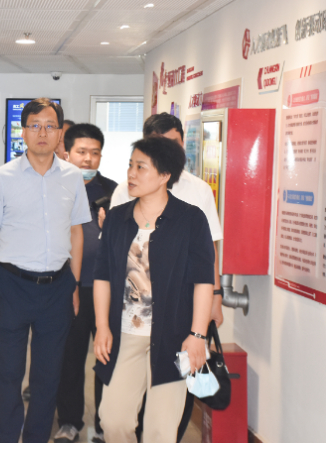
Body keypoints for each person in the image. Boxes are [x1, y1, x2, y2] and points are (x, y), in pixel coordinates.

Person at [0, 98, 91, 443]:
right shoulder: (3, 177)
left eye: (50, 126)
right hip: (11, 285)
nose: (43, 132)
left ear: (60, 134)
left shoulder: (73, 177)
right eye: (35, 125)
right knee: (8, 374)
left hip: (57, 287)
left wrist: (74, 284)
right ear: (23, 132)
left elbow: (77, 233)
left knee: (48, 376)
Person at [92, 136, 215, 443]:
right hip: (125, 334)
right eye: (130, 165)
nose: (131, 174)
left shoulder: (190, 220)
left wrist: (198, 335)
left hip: (174, 337)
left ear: (164, 175)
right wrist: (102, 326)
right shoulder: (117, 218)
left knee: (161, 430)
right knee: (114, 421)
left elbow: (203, 281)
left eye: (141, 167)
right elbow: (103, 276)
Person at [53, 123, 118, 443]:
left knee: (107, 356)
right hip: (67, 286)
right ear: (66, 153)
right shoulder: (54, 187)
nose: (88, 159)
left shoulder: (116, 191)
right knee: (70, 356)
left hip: (106, 288)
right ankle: (69, 421)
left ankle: (106, 424)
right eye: (81, 152)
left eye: (95, 153)